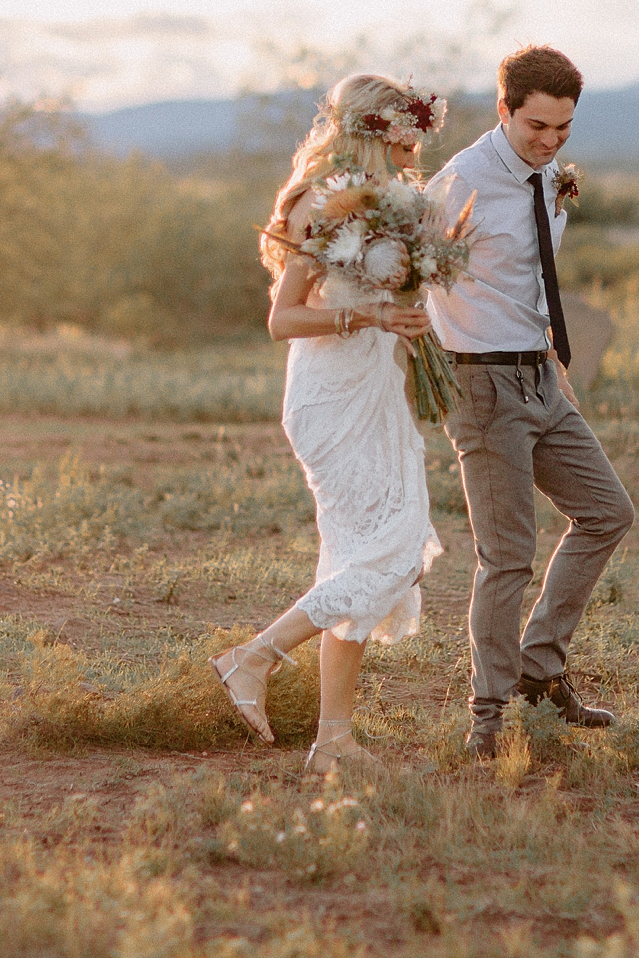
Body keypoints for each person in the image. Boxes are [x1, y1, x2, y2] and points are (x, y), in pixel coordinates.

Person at [210, 74, 446, 774]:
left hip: (379, 388)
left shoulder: (398, 205)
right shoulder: (323, 201)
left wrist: (404, 313)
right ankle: (253, 657)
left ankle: (333, 741)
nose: (419, 142)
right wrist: (367, 314)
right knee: (397, 549)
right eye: (411, 128)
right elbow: (282, 319)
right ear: (380, 129)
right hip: (329, 397)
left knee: (356, 560)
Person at [426, 44, 637, 759]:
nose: (549, 141)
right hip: (483, 384)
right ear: (504, 109)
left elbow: (531, 274)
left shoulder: (549, 176)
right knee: (507, 555)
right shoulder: (459, 183)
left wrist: (553, 354)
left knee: (608, 510)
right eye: (536, 126)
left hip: (541, 376)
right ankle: (486, 717)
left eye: (563, 129)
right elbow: (410, 277)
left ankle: (539, 671)